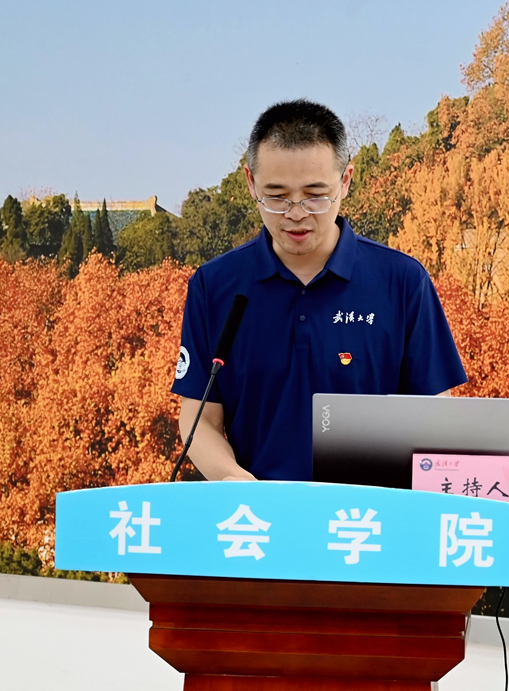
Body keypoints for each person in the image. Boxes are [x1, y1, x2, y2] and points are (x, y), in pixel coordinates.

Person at [171, 99, 467, 481]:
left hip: (366, 513)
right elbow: (200, 419)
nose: (296, 213)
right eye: (277, 196)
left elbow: (437, 420)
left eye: (315, 194)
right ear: (250, 182)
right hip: (257, 512)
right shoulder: (214, 286)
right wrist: (237, 482)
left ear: (345, 181)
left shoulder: (403, 282)